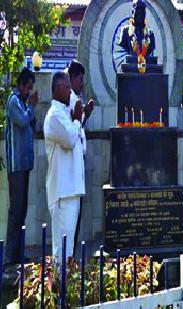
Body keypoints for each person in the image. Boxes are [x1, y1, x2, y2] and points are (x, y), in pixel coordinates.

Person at [44, 72, 85, 262]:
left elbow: (80, 145)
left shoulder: (65, 114)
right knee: (62, 248)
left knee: (69, 248)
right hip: (62, 191)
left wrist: (79, 119)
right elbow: (69, 140)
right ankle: (60, 287)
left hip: (72, 190)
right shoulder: (54, 115)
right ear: (58, 88)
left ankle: (66, 287)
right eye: (67, 87)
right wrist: (77, 120)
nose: (70, 92)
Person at [5, 67, 38, 267]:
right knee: (16, 211)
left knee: (22, 210)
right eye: (28, 87)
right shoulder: (13, 101)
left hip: (25, 164)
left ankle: (17, 254)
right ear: (21, 85)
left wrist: (31, 108)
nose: (29, 91)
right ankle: (9, 257)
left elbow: (32, 124)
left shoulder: (23, 103)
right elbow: (23, 121)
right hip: (16, 165)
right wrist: (31, 106)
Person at [67, 60, 94, 253]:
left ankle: (71, 255)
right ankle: (68, 258)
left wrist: (86, 115)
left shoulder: (75, 99)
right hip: (71, 165)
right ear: (73, 78)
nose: (82, 84)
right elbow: (71, 132)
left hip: (78, 161)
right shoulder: (69, 100)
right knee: (72, 214)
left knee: (77, 211)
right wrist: (82, 115)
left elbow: (78, 127)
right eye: (81, 79)